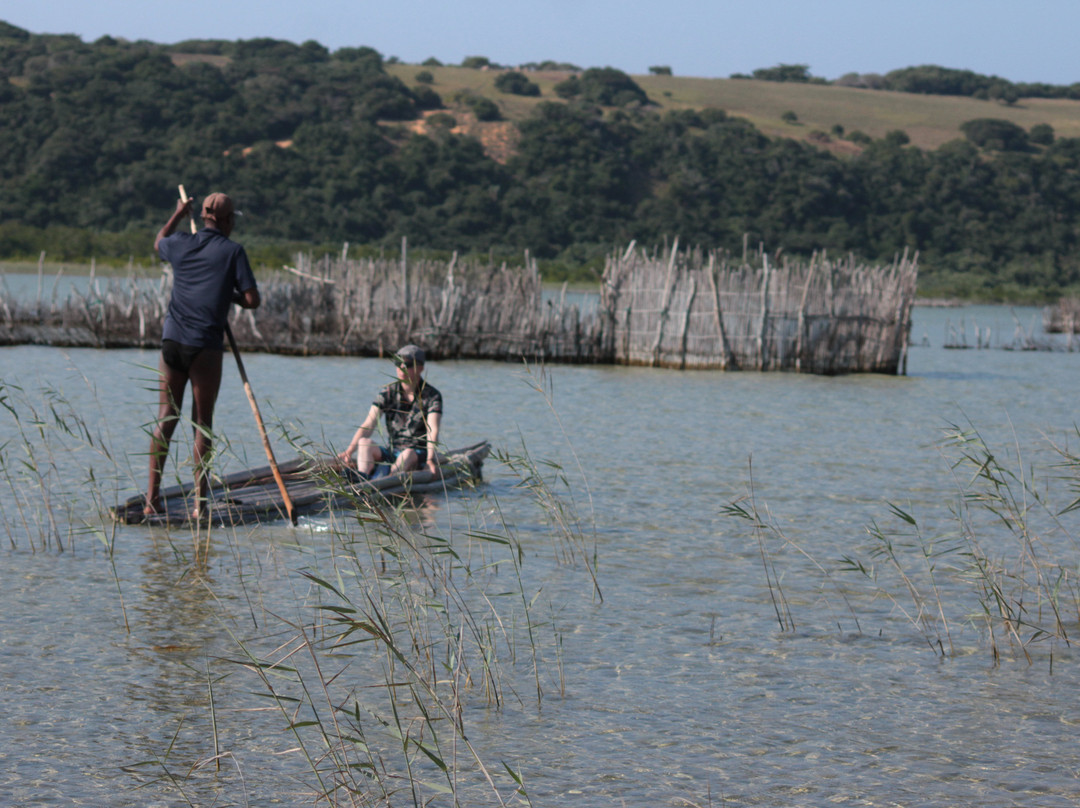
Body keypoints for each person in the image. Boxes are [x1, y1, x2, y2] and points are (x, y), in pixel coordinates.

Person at [145, 192, 261, 518]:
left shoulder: (181, 242)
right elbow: (253, 299)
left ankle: (151, 500)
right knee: (202, 425)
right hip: (204, 348)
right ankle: (200, 505)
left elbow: (159, 242)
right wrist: (232, 296)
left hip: (172, 342)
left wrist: (178, 213)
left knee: (166, 418)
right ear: (225, 220)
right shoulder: (233, 251)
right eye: (233, 219)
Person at [339, 344, 443, 478]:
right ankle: (363, 477)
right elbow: (369, 424)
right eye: (398, 363)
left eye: (409, 364)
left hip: (417, 454)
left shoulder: (432, 396)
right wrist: (349, 451)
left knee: (407, 454)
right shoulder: (387, 393)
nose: (402, 368)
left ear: (421, 368)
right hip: (392, 451)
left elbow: (432, 430)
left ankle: (387, 481)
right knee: (364, 443)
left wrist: (430, 459)